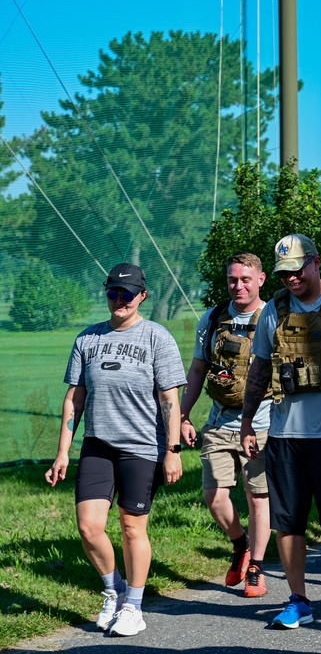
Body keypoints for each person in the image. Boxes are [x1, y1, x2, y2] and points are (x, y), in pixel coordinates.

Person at [45, 264, 187, 637]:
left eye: (128, 294)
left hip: (143, 447)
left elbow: (169, 397)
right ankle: (114, 589)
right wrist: (63, 452)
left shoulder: (157, 337)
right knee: (89, 527)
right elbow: (74, 399)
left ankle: (134, 607)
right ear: (106, 294)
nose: (120, 300)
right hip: (98, 445)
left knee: (130, 526)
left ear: (142, 296)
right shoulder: (87, 340)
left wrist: (172, 450)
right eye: (113, 293)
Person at [239, 234, 321, 629]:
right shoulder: (275, 310)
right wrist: (248, 422)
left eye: (298, 270)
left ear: (316, 262)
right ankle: (298, 599)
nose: (291, 279)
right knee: (288, 519)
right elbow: (260, 367)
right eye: (284, 274)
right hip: (285, 434)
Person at [179, 252, 272, 598]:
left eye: (246, 279)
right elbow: (198, 369)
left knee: (257, 496)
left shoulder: (272, 317)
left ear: (260, 280)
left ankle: (257, 568)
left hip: (263, 420)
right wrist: (183, 416)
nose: (238, 286)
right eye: (233, 279)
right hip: (220, 418)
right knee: (214, 495)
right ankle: (241, 545)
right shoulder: (214, 316)